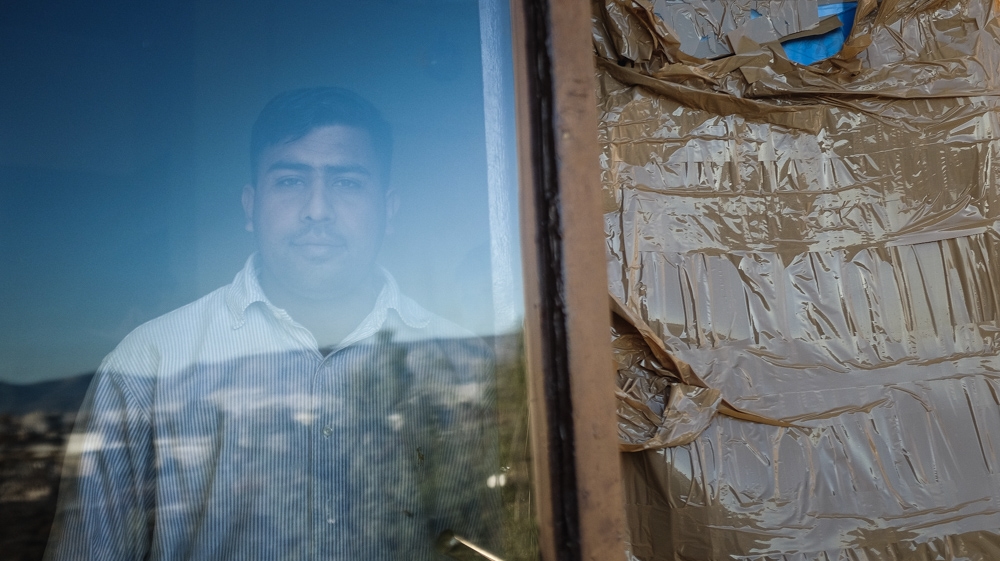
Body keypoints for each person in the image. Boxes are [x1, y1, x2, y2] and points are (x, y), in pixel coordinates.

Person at [45, 88, 499, 561]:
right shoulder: (150, 363)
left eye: (346, 183)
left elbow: (486, 544)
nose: (317, 210)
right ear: (249, 205)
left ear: (388, 210)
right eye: (290, 181)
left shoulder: (460, 365)